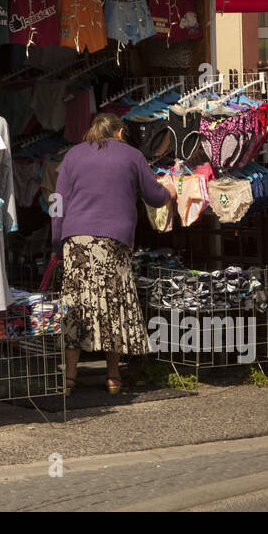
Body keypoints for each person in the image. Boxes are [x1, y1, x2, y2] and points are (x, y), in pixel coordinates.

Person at [51, 112, 176, 394]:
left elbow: (57, 201)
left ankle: (69, 379)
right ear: (120, 132)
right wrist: (169, 191)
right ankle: (112, 377)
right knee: (112, 303)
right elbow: (154, 196)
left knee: (76, 304)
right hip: (114, 240)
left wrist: (56, 241)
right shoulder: (132, 156)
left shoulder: (73, 155)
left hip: (76, 241)